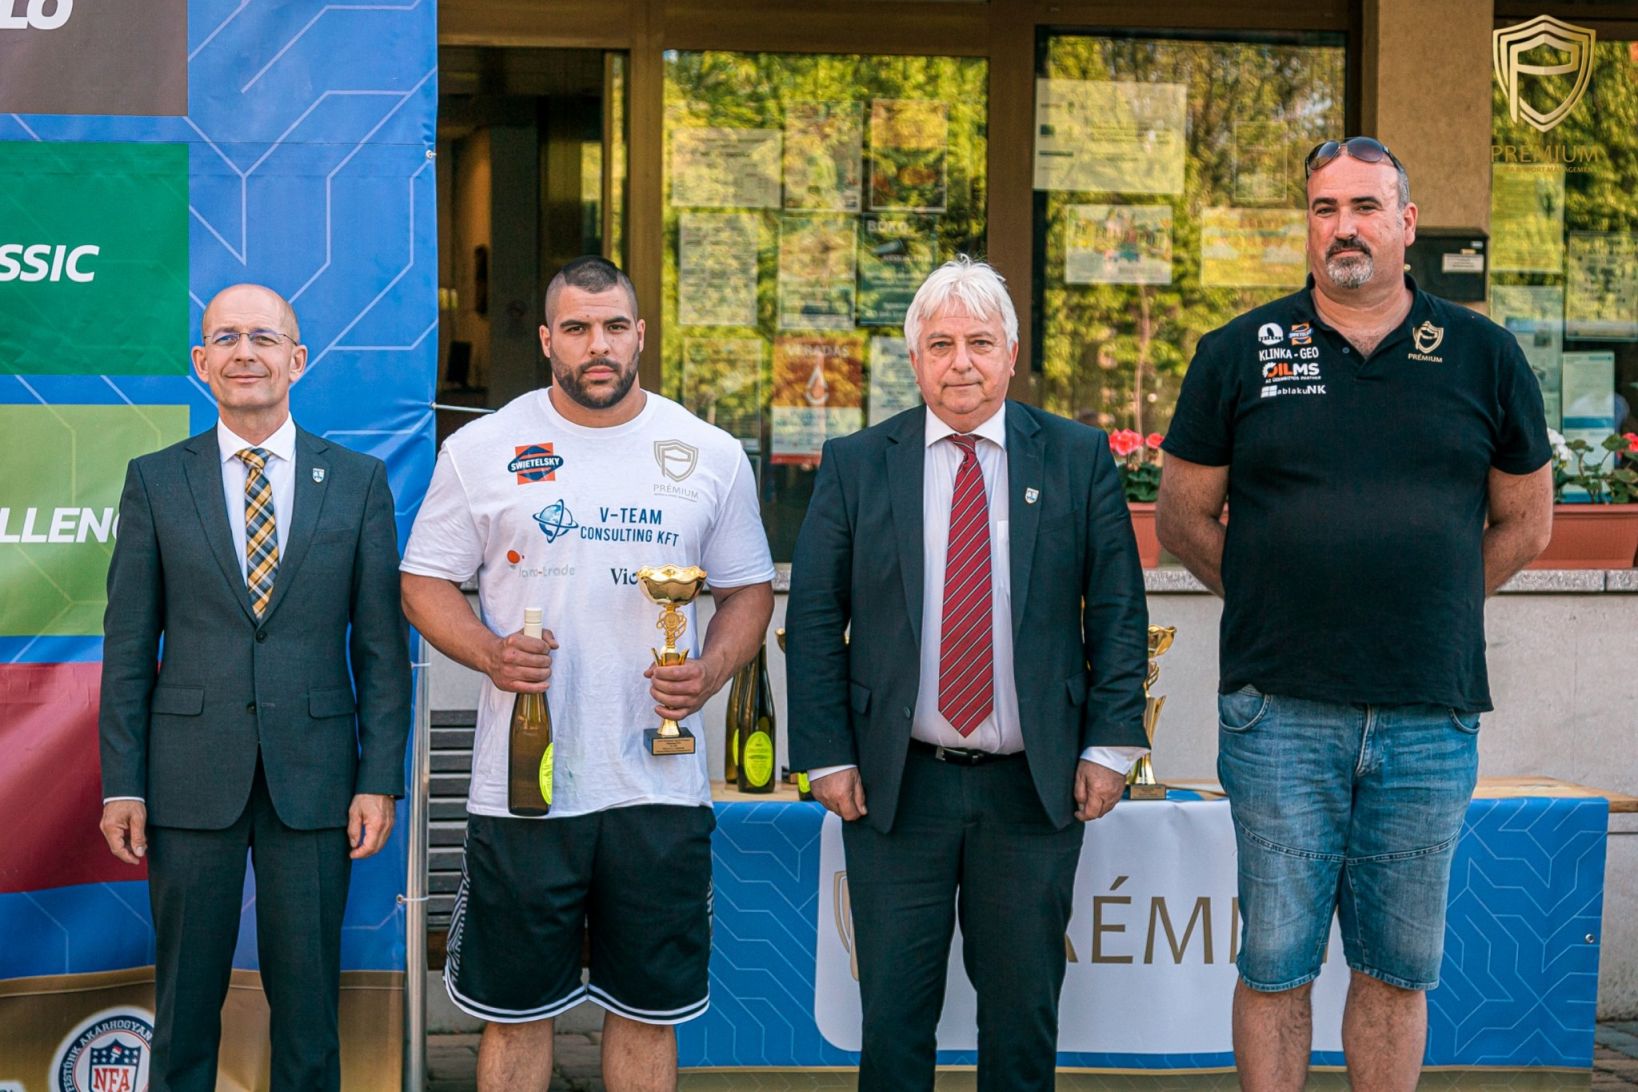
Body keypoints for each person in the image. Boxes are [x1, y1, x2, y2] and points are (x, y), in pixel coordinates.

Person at [1156, 137, 1554, 1090]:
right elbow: (1181, 518)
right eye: (1325, 208)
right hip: (1279, 712)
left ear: (1406, 223)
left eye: (1366, 207)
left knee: (1397, 968)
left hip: (1428, 713)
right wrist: (1277, 595)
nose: (1345, 227)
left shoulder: (1485, 356)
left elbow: (1528, 523)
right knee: (1275, 961)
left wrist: (1430, 602)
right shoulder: (1238, 352)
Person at [401, 256, 774, 1091]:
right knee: (516, 1015)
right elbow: (422, 582)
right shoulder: (483, 449)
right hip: (525, 788)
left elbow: (749, 591)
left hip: (660, 788)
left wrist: (710, 669)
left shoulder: (708, 452)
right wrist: (490, 652)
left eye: (612, 328)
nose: (596, 345)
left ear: (640, 335)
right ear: (546, 341)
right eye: (576, 328)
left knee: (646, 1014)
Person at [786, 256, 1150, 1091]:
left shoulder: (1076, 457)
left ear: (1011, 355)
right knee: (893, 1020)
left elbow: (1118, 611)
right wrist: (827, 754)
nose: (961, 364)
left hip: (1032, 789)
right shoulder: (856, 462)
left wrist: (1109, 747)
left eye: (980, 343)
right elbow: (812, 618)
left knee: (1022, 1022)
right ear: (914, 360)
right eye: (941, 344)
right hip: (895, 788)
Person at [97, 284, 412, 1091]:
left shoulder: (358, 482)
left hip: (316, 780)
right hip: (187, 777)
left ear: (296, 360)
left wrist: (378, 778)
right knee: (185, 1006)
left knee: (309, 1014)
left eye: (264, 338)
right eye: (226, 338)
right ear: (201, 362)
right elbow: (127, 649)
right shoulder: (155, 481)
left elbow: (382, 649)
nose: (245, 353)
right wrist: (123, 785)